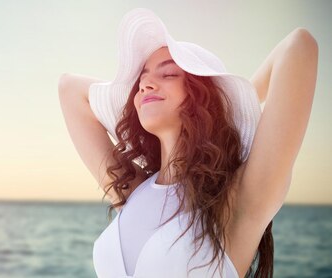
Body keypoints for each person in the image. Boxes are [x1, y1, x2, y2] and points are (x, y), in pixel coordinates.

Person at [58, 8, 318, 278]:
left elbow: (299, 48)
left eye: (168, 74)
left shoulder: (236, 199)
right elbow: (68, 89)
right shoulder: (133, 191)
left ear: (201, 97)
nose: (145, 83)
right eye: (141, 79)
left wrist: (228, 106)